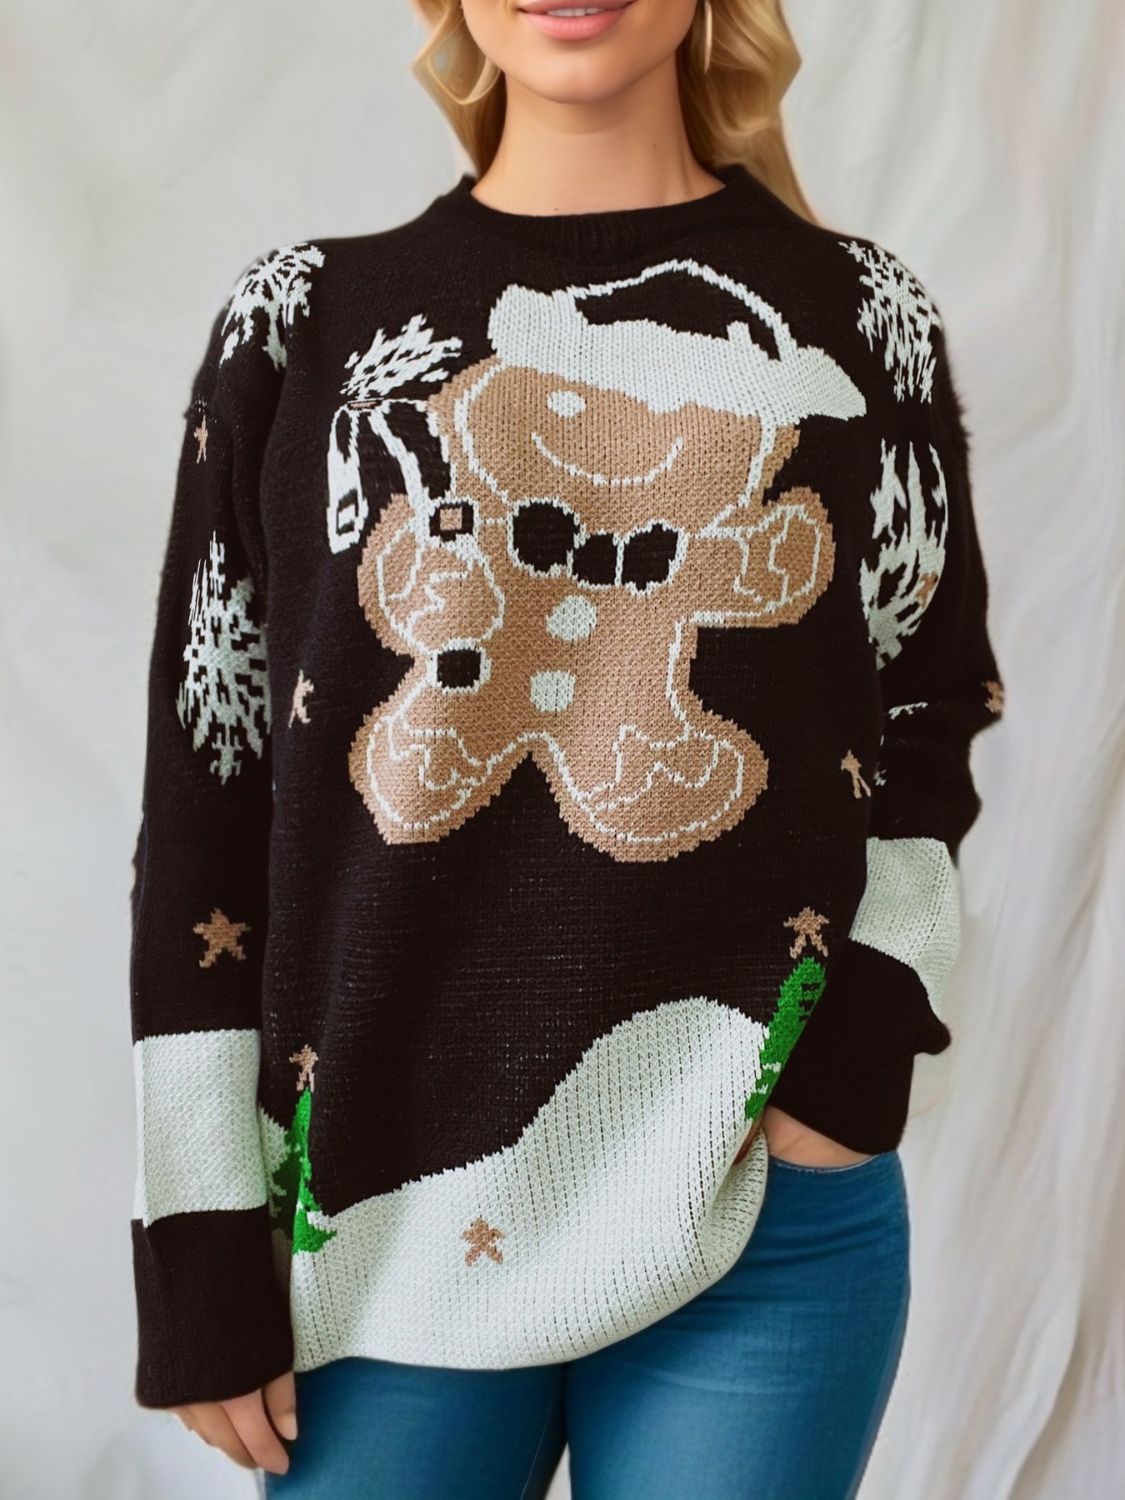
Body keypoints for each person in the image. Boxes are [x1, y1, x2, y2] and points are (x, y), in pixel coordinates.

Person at [126, 1, 1005, 1495]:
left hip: (756, 1207)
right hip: (377, 1213)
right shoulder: (301, 320)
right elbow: (210, 771)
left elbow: (930, 707)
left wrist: (851, 1056)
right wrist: (196, 1228)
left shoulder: (862, 314)